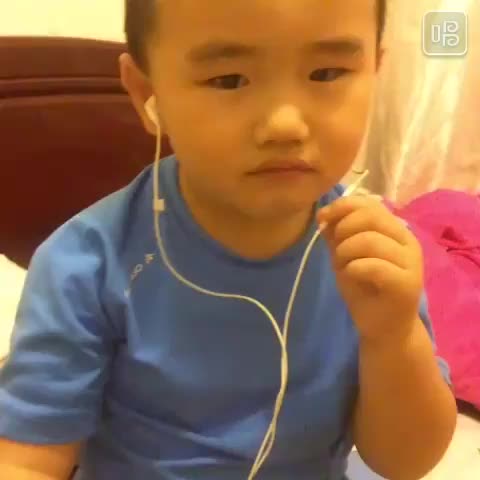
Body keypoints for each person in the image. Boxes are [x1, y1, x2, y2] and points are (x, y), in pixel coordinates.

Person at [0, 1, 456, 479]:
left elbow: (405, 463)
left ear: (375, 73)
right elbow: (26, 461)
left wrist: (394, 337)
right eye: (229, 80)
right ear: (148, 94)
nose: (284, 125)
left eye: (326, 73)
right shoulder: (88, 266)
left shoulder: (371, 257)